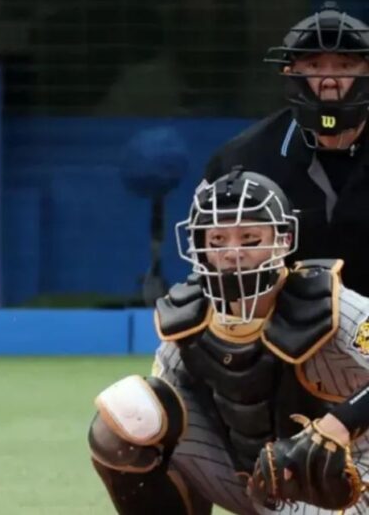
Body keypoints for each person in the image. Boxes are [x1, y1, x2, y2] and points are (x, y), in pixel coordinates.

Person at [88, 168, 369, 514]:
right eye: (218, 240)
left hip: (350, 484)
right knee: (130, 415)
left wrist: (337, 427)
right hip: (249, 482)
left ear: (282, 239)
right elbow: (161, 408)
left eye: (250, 239)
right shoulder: (189, 316)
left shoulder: (328, 305)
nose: (233, 253)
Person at [205, 1, 369, 294]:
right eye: (314, 66)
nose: (329, 82)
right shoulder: (243, 159)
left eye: (345, 65)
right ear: (290, 72)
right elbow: (213, 263)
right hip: (283, 329)